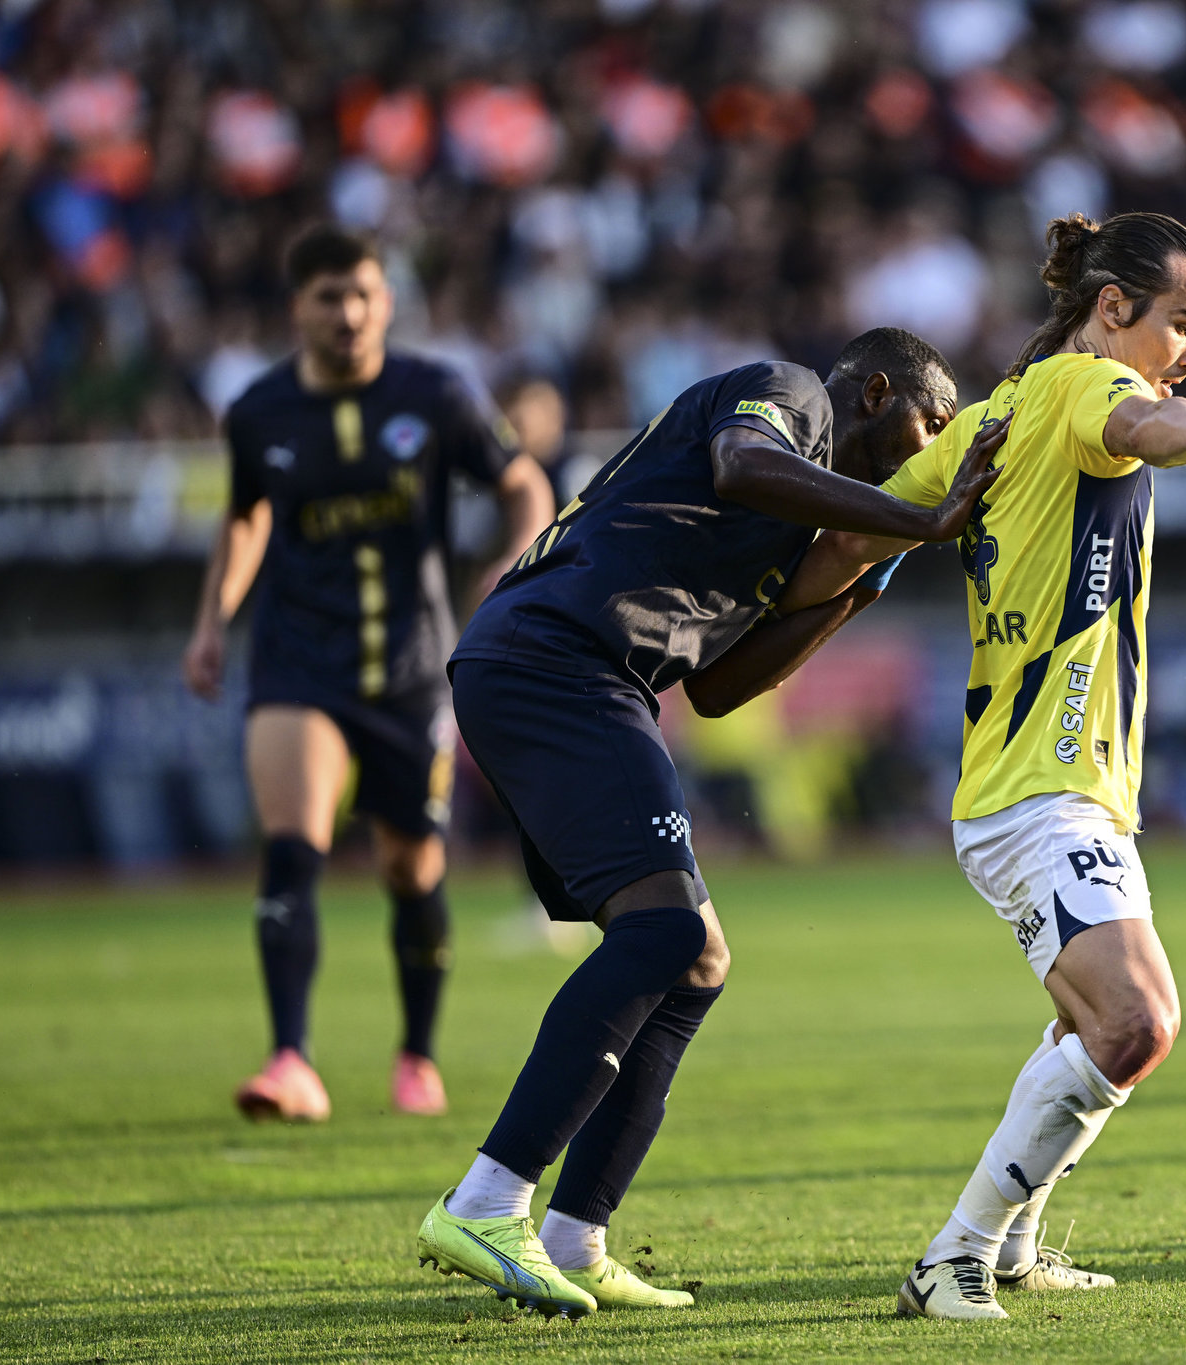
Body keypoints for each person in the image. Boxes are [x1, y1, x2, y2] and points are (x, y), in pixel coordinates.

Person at [777, 212, 1186, 1320]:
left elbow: (838, 547)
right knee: (1136, 1024)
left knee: (1098, 1026)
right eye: (1184, 324)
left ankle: (1015, 1247)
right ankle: (957, 1255)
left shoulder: (989, 416)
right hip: (1039, 798)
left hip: (1042, 789)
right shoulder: (1083, 388)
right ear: (1110, 308)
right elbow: (1147, 422)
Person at [411, 327, 1009, 1318]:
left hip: (582, 676)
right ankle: (487, 1198)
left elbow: (724, 688)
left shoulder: (793, 530)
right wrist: (932, 519)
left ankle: (573, 1233)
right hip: (554, 660)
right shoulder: (789, 399)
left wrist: (854, 585)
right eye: (931, 422)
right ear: (872, 393)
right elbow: (741, 461)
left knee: (694, 957)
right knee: (667, 930)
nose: (936, 444)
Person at [182, 224, 556, 1122]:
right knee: (292, 846)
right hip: (295, 661)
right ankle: (289, 1059)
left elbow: (524, 483)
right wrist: (211, 621)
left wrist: (512, 557)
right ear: (297, 310)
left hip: (410, 668)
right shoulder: (259, 412)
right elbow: (243, 520)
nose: (347, 314)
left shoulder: (435, 394)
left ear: (385, 301)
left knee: (409, 868)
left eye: (361, 295)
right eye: (327, 298)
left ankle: (416, 1055)